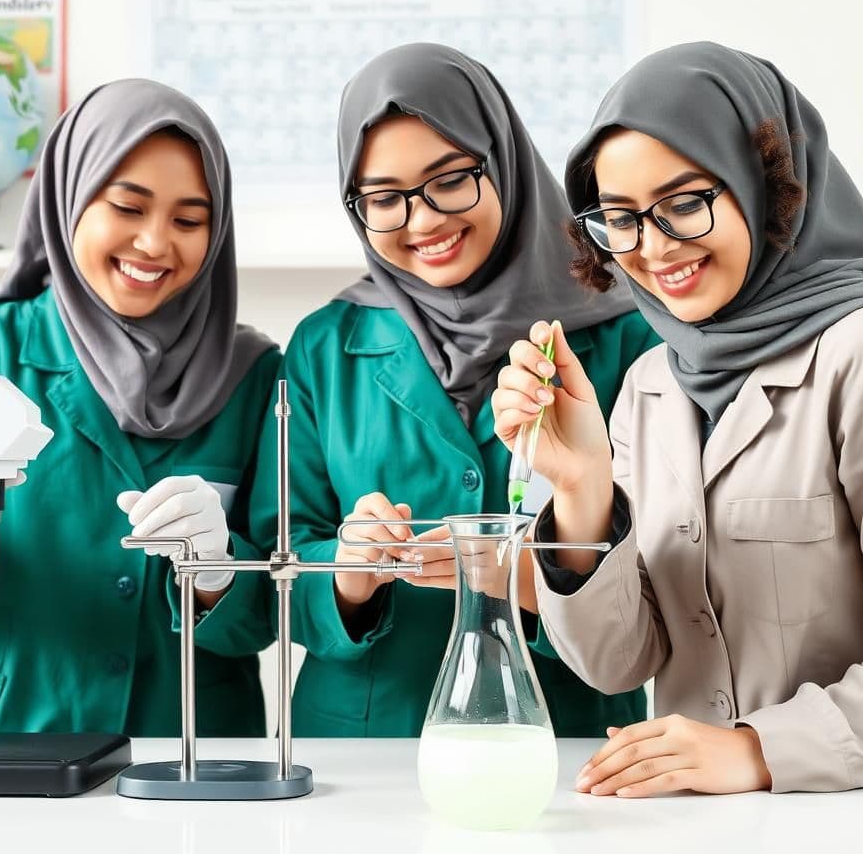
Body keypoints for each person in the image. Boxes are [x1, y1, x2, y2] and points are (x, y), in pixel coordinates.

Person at [490, 41, 863, 849]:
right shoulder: (654, 381)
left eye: (684, 201)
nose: (653, 245)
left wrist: (757, 749)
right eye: (620, 218)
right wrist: (581, 491)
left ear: (768, 189)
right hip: (724, 824)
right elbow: (622, 662)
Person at [249, 43, 659, 736]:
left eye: (451, 179)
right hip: (364, 747)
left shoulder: (629, 338)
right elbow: (272, 566)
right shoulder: (325, 345)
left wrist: (519, 578)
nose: (423, 220)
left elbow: (670, 576)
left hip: (564, 737)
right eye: (385, 198)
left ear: (503, 161)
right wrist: (348, 572)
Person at [0, 79, 279, 736]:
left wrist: (218, 568)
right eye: (127, 207)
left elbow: (271, 613)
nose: (154, 244)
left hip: (188, 746)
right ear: (67, 203)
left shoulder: (256, 375)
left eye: (188, 220)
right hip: (0, 735)